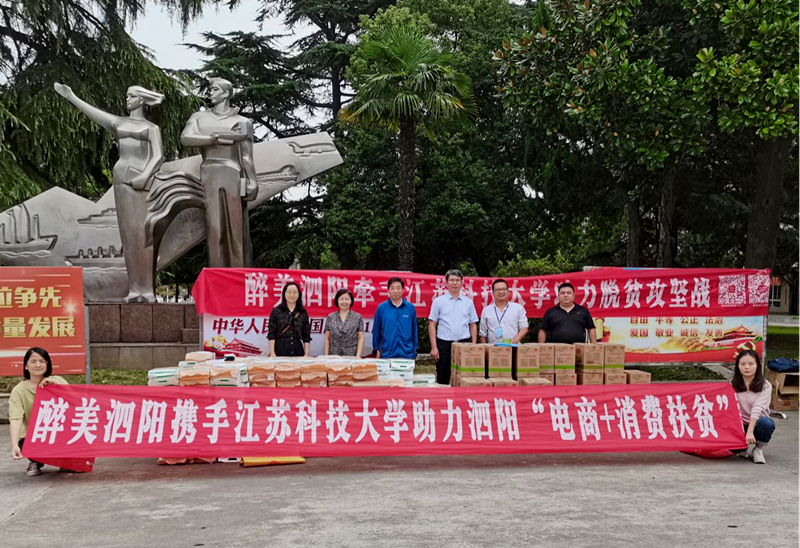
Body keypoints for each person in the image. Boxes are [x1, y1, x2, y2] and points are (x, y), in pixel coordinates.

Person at [54, 82, 165, 302]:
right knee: (127, 235)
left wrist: (144, 177)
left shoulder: (151, 128)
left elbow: (158, 156)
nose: (127, 99)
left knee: (142, 232)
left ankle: (147, 289)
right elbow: (96, 114)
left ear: (141, 100)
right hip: (122, 177)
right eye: (127, 96)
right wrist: (71, 97)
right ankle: (135, 289)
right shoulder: (119, 122)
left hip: (141, 180)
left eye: (131, 96)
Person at [180, 77, 258, 268]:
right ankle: (217, 272)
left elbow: (246, 156)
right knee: (214, 228)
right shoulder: (198, 118)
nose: (210, 93)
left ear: (226, 93)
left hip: (233, 174)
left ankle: (239, 273)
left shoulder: (242, 122)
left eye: (214, 89)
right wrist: (212, 139)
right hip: (210, 173)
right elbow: (186, 138)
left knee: (237, 228)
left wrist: (252, 181)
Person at [9, 348, 68, 477]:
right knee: (28, 446)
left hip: (59, 433)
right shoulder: (19, 390)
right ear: (26, 366)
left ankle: (65, 461)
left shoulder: (57, 380)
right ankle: (35, 461)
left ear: (47, 364)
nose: (38, 365)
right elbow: (16, 419)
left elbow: (76, 401)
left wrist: (56, 385)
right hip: (35, 437)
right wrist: (14, 445)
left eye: (42, 361)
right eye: (33, 361)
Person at [428, 269, 478, 385]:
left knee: (465, 376)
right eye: (451, 280)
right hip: (444, 344)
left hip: (464, 344)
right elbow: (432, 324)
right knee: (443, 376)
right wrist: (434, 347)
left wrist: (474, 345)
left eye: (457, 280)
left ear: (462, 282)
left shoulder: (468, 302)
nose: (454, 283)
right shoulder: (438, 301)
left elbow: (473, 325)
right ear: (446, 282)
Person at [731, 349, 775, 464]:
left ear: (757, 365)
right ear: (738, 366)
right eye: (743, 364)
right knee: (734, 450)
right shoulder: (732, 384)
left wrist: (750, 432)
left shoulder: (765, 385)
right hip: (739, 425)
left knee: (766, 423)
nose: (747, 367)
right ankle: (741, 447)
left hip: (757, 424)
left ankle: (758, 449)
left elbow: (757, 409)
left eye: (751, 364)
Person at [373, 277, 418, 359]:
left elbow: (414, 330)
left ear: (403, 290)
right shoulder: (382, 308)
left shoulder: (410, 308)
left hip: (406, 353)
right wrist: (376, 349)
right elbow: (376, 330)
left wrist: (414, 349)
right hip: (387, 352)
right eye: (392, 288)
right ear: (388, 290)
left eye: (398, 288)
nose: (395, 291)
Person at [479, 278, 529, 344]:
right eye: (498, 290)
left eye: (504, 289)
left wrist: (515, 340)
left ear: (508, 292)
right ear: (493, 293)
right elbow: (483, 334)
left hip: (513, 346)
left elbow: (524, 328)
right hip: (493, 348)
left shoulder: (518, 308)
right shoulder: (486, 310)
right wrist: (485, 348)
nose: (501, 292)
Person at [268, 282, 311, 357]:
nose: (292, 295)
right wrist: (272, 353)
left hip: (297, 349)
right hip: (280, 348)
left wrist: (306, 354)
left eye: (295, 292)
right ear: (284, 294)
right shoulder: (276, 311)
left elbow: (306, 335)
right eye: (289, 292)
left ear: (299, 295)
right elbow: (271, 333)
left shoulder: (302, 312)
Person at [324, 289, 365, 357]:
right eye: (341, 299)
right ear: (337, 301)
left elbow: (361, 338)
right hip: (334, 355)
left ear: (351, 301)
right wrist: (326, 356)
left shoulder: (357, 317)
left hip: (351, 355)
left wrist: (358, 355)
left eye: (347, 299)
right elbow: (327, 338)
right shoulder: (331, 317)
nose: (344, 302)